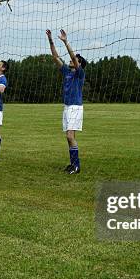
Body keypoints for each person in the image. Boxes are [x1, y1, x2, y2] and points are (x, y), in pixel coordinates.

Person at [46, 29, 87, 175]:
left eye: (74, 60)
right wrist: (51, 39)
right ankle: (72, 164)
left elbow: (74, 58)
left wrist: (65, 42)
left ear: (79, 64)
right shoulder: (67, 72)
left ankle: (77, 166)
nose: (70, 60)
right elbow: (55, 56)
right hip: (67, 107)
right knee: (69, 138)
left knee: (70, 136)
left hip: (76, 107)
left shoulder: (79, 74)